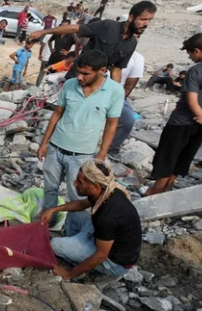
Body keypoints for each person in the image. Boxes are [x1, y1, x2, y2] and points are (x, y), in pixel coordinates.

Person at [37, 50, 124, 226]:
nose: (80, 77)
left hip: (82, 155)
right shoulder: (69, 84)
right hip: (55, 148)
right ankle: (47, 224)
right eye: (78, 71)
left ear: (102, 71)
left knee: (77, 195)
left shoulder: (115, 91)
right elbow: (57, 114)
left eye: (86, 73)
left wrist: (102, 153)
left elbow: (112, 124)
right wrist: (44, 143)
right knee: (50, 188)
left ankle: (73, 233)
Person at [41, 160, 141, 279]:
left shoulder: (107, 217)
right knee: (74, 213)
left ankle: (77, 261)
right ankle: (74, 245)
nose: (74, 184)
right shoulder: (107, 190)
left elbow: (101, 256)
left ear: (95, 186)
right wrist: (53, 210)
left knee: (54, 245)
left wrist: (70, 273)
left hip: (115, 263)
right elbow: (81, 205)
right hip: (103, 237)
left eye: (80, 182)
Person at [146, 33, 202, 196]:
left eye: (190, 53)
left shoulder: (195, 71)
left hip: (181, 122)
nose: (190, 58)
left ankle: (155, 193)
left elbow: (192, 101)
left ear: (197, 51)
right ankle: (167, 190)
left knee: (167, 157)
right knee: (183, 157)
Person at [30, 1, 157, 83]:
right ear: (131, 17)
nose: (146, 24)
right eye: (143, 19)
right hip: (76, 77)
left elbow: (116, 70)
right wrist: (43, 32)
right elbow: (76, 28)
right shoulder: (107, 26)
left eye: (149, 20)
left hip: (96, 83)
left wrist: (116, 92)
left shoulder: (131, 43)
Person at [107, 50, 145, 156]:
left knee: (128, 121)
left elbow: (128, 87)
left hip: (117, 96)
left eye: (138, 37)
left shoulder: (137, 58)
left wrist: (116, 102)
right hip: (94, 91)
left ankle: (112, 148)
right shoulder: (106, 49)